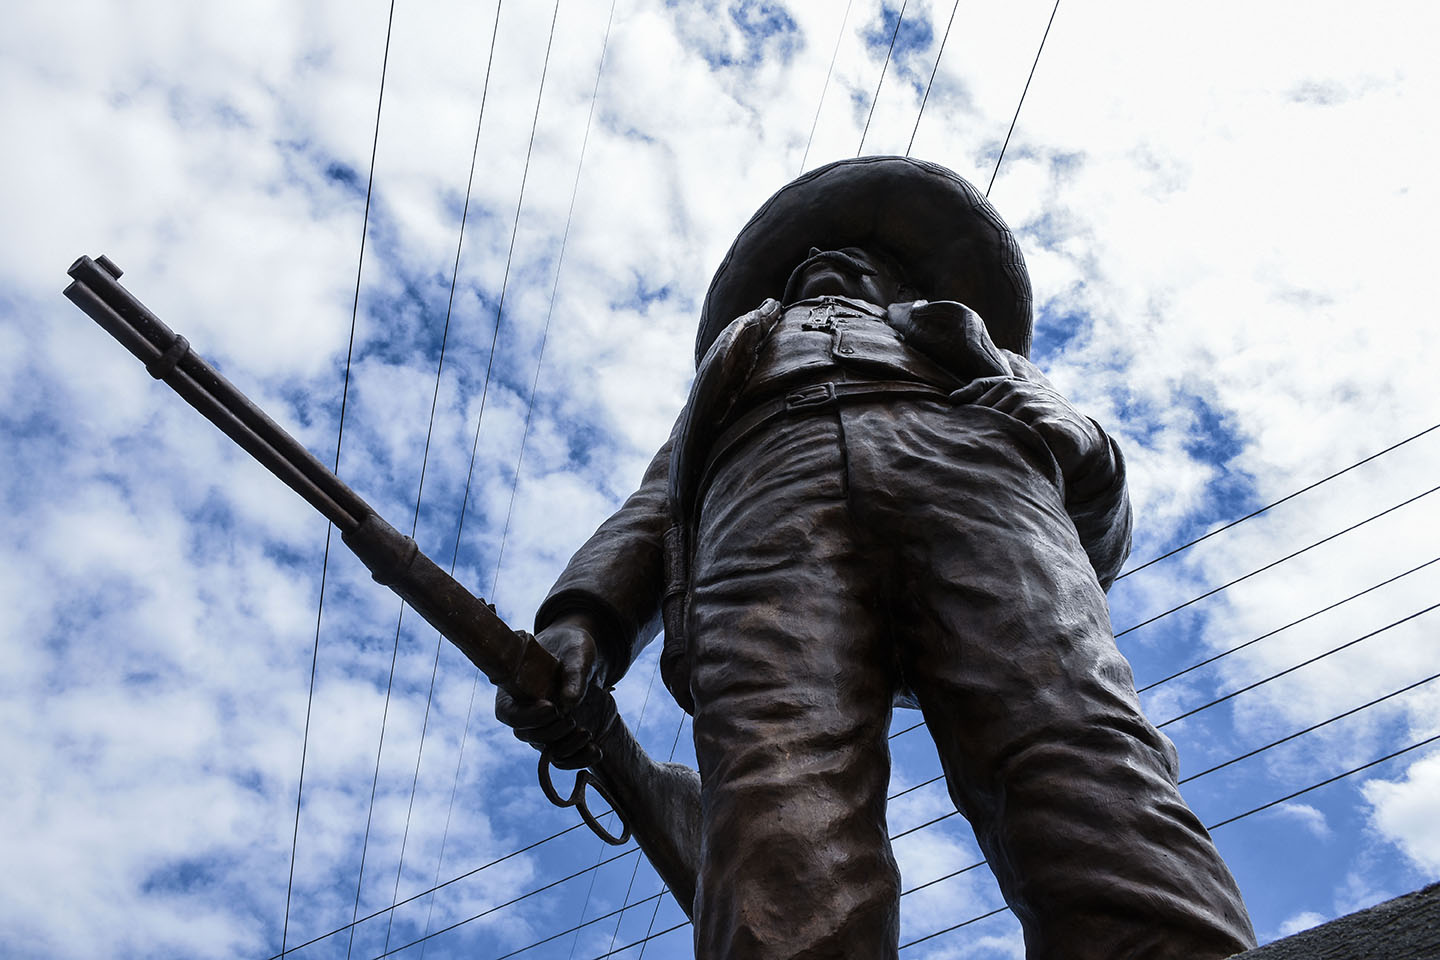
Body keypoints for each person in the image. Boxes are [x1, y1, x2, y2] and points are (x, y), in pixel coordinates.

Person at [497, 157, 1256, 960]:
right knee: (778, 785)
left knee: (1069, 735)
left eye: (863, 262)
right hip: (762, 504)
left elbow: (1097, 534)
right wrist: (585, 618)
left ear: (901, 286)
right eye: (805, 269)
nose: (826, 267)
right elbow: (656, 509)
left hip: (976, 476)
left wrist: (1087, 452)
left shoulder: (972, 349)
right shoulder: (735, 370)